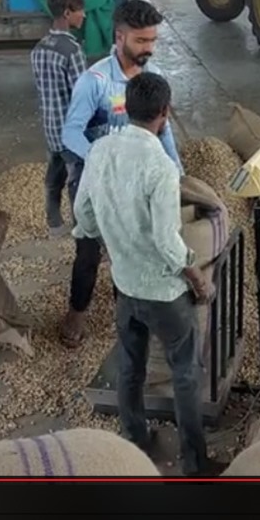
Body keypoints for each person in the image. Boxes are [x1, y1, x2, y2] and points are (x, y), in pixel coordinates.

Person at [72, 73, 223, 478]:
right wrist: (197, 277)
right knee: (186, 375)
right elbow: (166, 239)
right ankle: (195, 464)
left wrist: (106, 240)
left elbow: (83, 213)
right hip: (164, 292)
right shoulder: (161, 165)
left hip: (125, 285)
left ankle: (136, 442)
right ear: (164, 113)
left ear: (126, 109)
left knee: (130, 367)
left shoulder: (101, 150)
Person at [58, 0, 184, 347]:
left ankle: (127, 321)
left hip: (136, 183)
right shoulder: (95, 81)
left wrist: (176, 171)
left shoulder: (153, 78)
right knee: (89, 251)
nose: (149, 49)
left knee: (130, 248)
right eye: (141, 41)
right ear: (119, 37)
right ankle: (76, 314)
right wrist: (100, 159)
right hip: (94, 179)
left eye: (153, 41)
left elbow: (164, 129)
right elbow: (70, 132)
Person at [30, 0, 87, 237]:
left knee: (54, 177)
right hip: (71, 131)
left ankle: (54, 223)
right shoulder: (72, 51)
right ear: (67, 13)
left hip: (50, 127)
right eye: (80, 11)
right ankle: (80, 227)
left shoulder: (39, 48)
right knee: (77, 179)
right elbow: (82, 95)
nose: (83, 15)